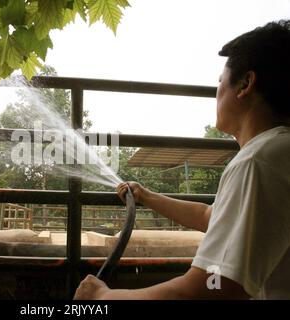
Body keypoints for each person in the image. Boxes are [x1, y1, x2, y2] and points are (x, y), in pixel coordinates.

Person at [74, 19, 290, 300]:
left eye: (219, 82)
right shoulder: (277, 153)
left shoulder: (257, 162)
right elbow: (209, 217)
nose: (217, 92)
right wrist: (147, 196)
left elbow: (206, 291)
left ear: (245, 84)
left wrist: (101, 298)